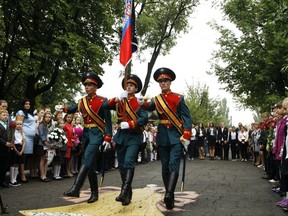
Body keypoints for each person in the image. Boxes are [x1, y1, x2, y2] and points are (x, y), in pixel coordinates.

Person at [138, 67, 192, 210]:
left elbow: (186, 117)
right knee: (164, 167)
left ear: (170, 82)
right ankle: (171, 195)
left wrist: (186, 134)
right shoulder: (156, 99)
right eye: (161, 81)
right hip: (162, 136)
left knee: (173, 164)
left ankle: (168, 193)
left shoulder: (179, 98)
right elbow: (149, 106)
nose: (163, 83)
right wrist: (143, 103)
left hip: (175, 136)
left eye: (165, 80)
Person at [63, 71, 112, 204]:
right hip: (86, 135)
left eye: (90, 85)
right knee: (90, 164)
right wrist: (64, 108)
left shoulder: (103, 101)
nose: (87, 87)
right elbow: (72, 108)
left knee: (88, 158)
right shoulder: (82, 101)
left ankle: (76, 188)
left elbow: (108, 121)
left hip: (97, 134)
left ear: (96, 87)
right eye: (86, 85)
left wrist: (108, 137)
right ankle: (94, 194)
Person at [103, 74, 148, 206]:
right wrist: (116, 99)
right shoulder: (120, 100)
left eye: (131, 85)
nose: (128, 86)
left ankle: (123, 192)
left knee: (128, 162)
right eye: (127, 84)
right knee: (122, 166)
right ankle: (128, 193)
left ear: (136, 88)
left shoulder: (139, 101)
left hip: (134, 136)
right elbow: (104, 106)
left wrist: (130, 124)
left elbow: (144, 118)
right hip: (122, 137)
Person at [15, 99, 36, 183]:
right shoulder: (21, 112)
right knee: (22, 155)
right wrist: (22, 135)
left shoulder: (29, 114)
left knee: (27, 155)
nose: (28, 105)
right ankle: (22, 174)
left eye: (29, 104)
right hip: (25, 136)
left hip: (31, 138)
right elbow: (19, 123)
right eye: (26, 104)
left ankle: (22, 172)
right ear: (23, 105)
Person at [0, 109, 14, 188]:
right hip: (1, 147)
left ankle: (2, 181)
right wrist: (5, 143)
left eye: (6, 115)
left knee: (5, 165)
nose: (5, 117)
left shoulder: (9, 125)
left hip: (7, 148)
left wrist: (11, 142)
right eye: (3, 115)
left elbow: (11, 135)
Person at [9, 120, 26, 186]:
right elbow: (12, 142)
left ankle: (15, 179)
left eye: (20, 124)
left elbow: (24, 141)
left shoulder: (22, 132)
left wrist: (22, 150)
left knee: (17, 164)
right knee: (13, 163)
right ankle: (11, 180)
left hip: (20, 147)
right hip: (15, 148)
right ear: (15, 125)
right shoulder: (13, 132)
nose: (19, 125)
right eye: (17, 124)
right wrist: (16, 150)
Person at [37, 112, 52, 182]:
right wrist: (46, 143)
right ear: (44, 117)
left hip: (49, 145)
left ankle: (45, 174)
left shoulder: (50, 125)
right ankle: (42, 175)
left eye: (49, 117)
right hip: (42, 144)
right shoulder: (41, 125)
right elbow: (41, 135)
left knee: (46, 159)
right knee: (42, 159)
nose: (48, 118)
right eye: (46, 117)